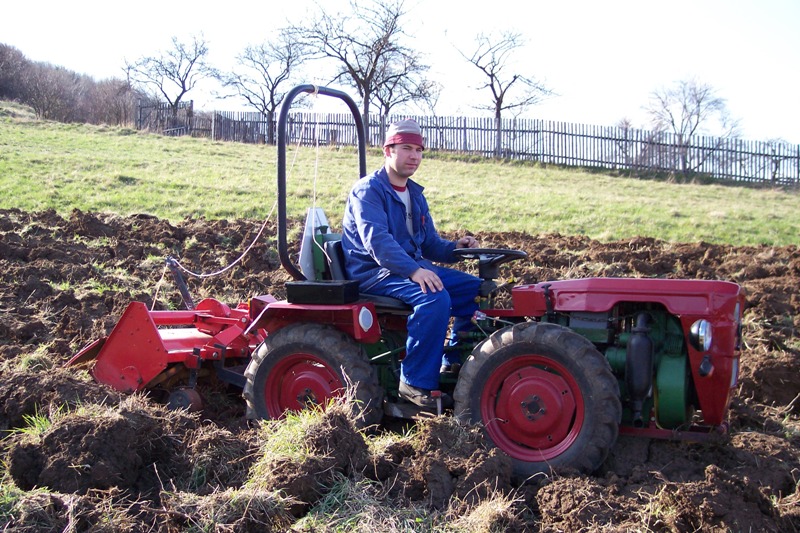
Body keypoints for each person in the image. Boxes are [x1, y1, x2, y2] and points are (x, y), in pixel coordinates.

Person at [341, 118, 481, 408]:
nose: (414, 156)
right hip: (374, 272)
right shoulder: (368, 191)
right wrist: (415, 271)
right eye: (406, 148)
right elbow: (377, 243)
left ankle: (452, 363)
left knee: (473, 289)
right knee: (434, 298)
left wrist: (456, 248)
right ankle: (415, 382)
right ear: (388, 150)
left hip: (407, 266)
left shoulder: (414, 195)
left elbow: (429, 243)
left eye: (418, 150)